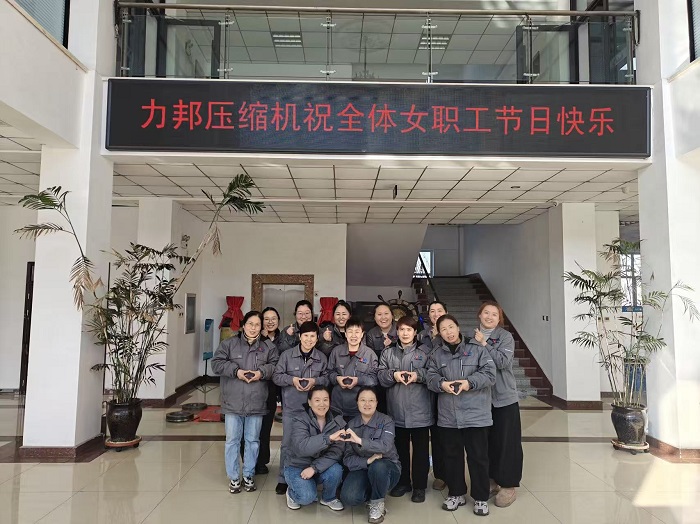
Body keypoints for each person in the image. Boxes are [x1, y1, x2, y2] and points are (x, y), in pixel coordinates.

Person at [427, 314, 496, 517]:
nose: (448, 332)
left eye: (451, 327)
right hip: (449, 416)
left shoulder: (477, 349)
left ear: (458, 327)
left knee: (478, 457)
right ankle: (456, 493)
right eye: (443, 329)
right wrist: (442, 384)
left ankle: (481, 497)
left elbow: (490, 374)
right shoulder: (436, 354)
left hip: (476, 415)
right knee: (452, 457)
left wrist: (468, 383)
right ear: (439, 333)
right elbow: (430, 377)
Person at [211, 310, 279, 494]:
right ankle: (234, 477)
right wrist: (236, 371)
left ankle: (248, 474)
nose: (253, 328)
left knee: (253, 441)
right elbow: (216, 364)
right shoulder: (229, 344)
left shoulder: (268, 347)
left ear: (261, 327)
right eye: (250, 324)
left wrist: (261, 373)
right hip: (233, 402)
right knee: (232, 441)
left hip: (256, 402)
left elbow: (275, 366)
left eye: (257, 325)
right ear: (243, 325)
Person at [377, 315, 434, 503]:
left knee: (421, 452)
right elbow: (380, 375)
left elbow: (433, 374)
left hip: (420, 411)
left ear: (415, 332)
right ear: (397, 332)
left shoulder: (425, 352)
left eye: (409, 330)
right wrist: (394, 375)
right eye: (401, 329)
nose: (405, 333)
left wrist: (417, 375)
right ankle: (403, 483)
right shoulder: (388, 353)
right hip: (396, 411)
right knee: (400, 450)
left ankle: (419, 486)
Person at [474, 301, 522, 508]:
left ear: (499, 319)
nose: (489, 317)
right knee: (486, 442)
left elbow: (502, 362)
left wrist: (484, 343)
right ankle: (492, 480)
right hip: (480, 400)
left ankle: (508, 485)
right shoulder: (471, 337)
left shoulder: (505, 337)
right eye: (486, 312)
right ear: (479, 315)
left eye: (494, 314)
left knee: (507, 442)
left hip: (504, 398)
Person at [272, 320, 329, 495]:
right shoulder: (287, 356)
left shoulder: (321, 357)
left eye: (312, 336)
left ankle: (309, 475)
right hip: (292, 407)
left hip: (314, 411)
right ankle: (283, 478)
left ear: (317, 338)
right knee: (288, 444)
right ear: (299, 337)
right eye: (306, 336)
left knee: (313, 444)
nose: (309, 339)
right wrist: (292, 380)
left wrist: (315, 381)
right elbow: (276, 376)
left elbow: (328, 378)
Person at [340, 387, 401, 524]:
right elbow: (348, 458)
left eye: (371, 400)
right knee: (349, 497)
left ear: (377, 403)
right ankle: (375, 491)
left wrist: (360, 441)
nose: (367, 404)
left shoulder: (386, 421)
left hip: (387, 468)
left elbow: (385, 446)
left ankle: (377, 503)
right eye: (363, 400)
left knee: (378, 466)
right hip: (363, 467)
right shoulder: (351, 425)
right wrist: (368, 460)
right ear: (357, 402)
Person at [284, 386, 347, 512]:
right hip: (297, 466)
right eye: (317, 400)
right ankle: (291, 493)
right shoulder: (300, 419)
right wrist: (328, 438)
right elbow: (302, 447)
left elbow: (336, 453)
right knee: (307, 497)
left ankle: (328, 498)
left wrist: (314, 468)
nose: (322, 404)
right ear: (309, 402)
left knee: (336, 470)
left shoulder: (338, 422)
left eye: (325, 400)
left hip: (318, 467)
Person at [418, 300, 449, 491]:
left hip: (445, 391)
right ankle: (437, 473)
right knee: (430, 435)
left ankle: (445, 474)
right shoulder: (422, 335)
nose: (436, 314)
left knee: (443, 436)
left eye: (439, 310)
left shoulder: (450, 333)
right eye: (432, 311)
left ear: (446, 312)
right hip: (424, 391)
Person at [328, 316, 378, 421]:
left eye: (357, 332)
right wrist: (337, 378)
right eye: (350, 332)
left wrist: (358, 380)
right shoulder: (336, 351)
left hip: (360, 408)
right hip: (337, 406)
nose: (353, 335)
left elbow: (374, 379)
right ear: (345, 334)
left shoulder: (369, 354)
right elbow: (328, 372)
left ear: (362, 334)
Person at [257, 306, 281, 474]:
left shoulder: (284, 338)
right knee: (256, 427)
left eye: (274, 318)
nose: (270, 322)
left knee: (266, 427)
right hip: (259, 387)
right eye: (266, 319)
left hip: (275, 388)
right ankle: (256, 461)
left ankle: (262, 460)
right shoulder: (256, 338)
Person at [364, 303, 397, 412]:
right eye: (379, 314)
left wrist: (392, 345)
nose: (383, 317)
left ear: (392, 315)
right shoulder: (371, 334)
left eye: (386, 313)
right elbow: (371, 358)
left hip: (397, 375)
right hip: (379, 378)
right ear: (374, 318)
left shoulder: (401, 329)